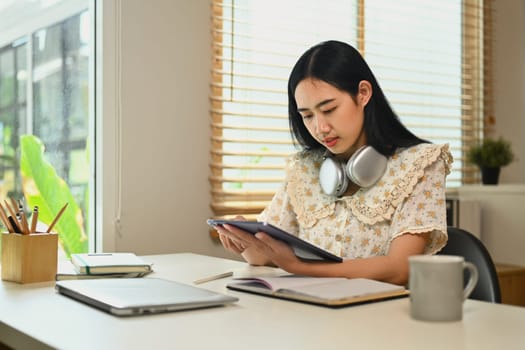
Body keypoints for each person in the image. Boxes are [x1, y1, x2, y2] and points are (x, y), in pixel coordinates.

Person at [214, 40, 452, 285]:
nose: (320, 128)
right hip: (313, 311)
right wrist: (244, 240)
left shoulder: (420, 164)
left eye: (328, 109)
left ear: (363, 94)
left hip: (383, 315)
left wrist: (299, 267)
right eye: (307, 116)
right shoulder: (305, 169)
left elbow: (400, 269)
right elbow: (267, 256)